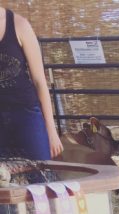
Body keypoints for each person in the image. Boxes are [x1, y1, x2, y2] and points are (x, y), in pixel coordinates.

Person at [0, 7, 63, 159]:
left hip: (25, 113)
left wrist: (51, 131)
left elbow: (39, 81)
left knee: (41, 174)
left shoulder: (20, 25)